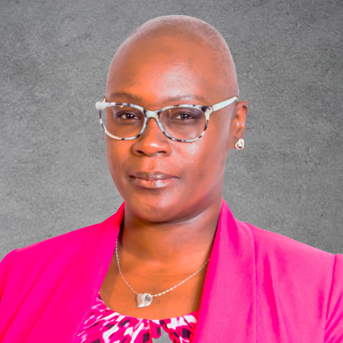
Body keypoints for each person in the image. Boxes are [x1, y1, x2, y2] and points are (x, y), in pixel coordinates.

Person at [0, 15, 342, 343]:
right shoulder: (17, 278)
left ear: (236, 123)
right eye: (127, 114)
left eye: (183, 116)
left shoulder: (324, 292)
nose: (148, 143)